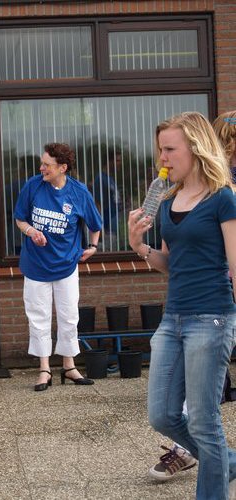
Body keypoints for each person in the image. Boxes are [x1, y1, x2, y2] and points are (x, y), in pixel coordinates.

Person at [128, 111, 236, 499]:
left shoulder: (223, 198)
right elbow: (170, 265)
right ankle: (228, 460)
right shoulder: (171, 201)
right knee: (162, 414)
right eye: (161, 150)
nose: (164, 159)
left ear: (196, 148)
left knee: (205, 423)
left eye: (171, 149)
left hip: (212, 319)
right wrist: (140, 246)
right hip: (173, 318)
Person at [14, 142, 102, 391]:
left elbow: (95, 223)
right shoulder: (33, 185)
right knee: (38, 317)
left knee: (68, 316)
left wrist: (93, 247)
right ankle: (44, 369)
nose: (41, 168)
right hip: (36, 265)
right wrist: (31, 231)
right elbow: (20, 218)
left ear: (62, 167)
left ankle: (69, 365)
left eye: (47, 164)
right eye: (42, 163)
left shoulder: (78, 191)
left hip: (66, 265)